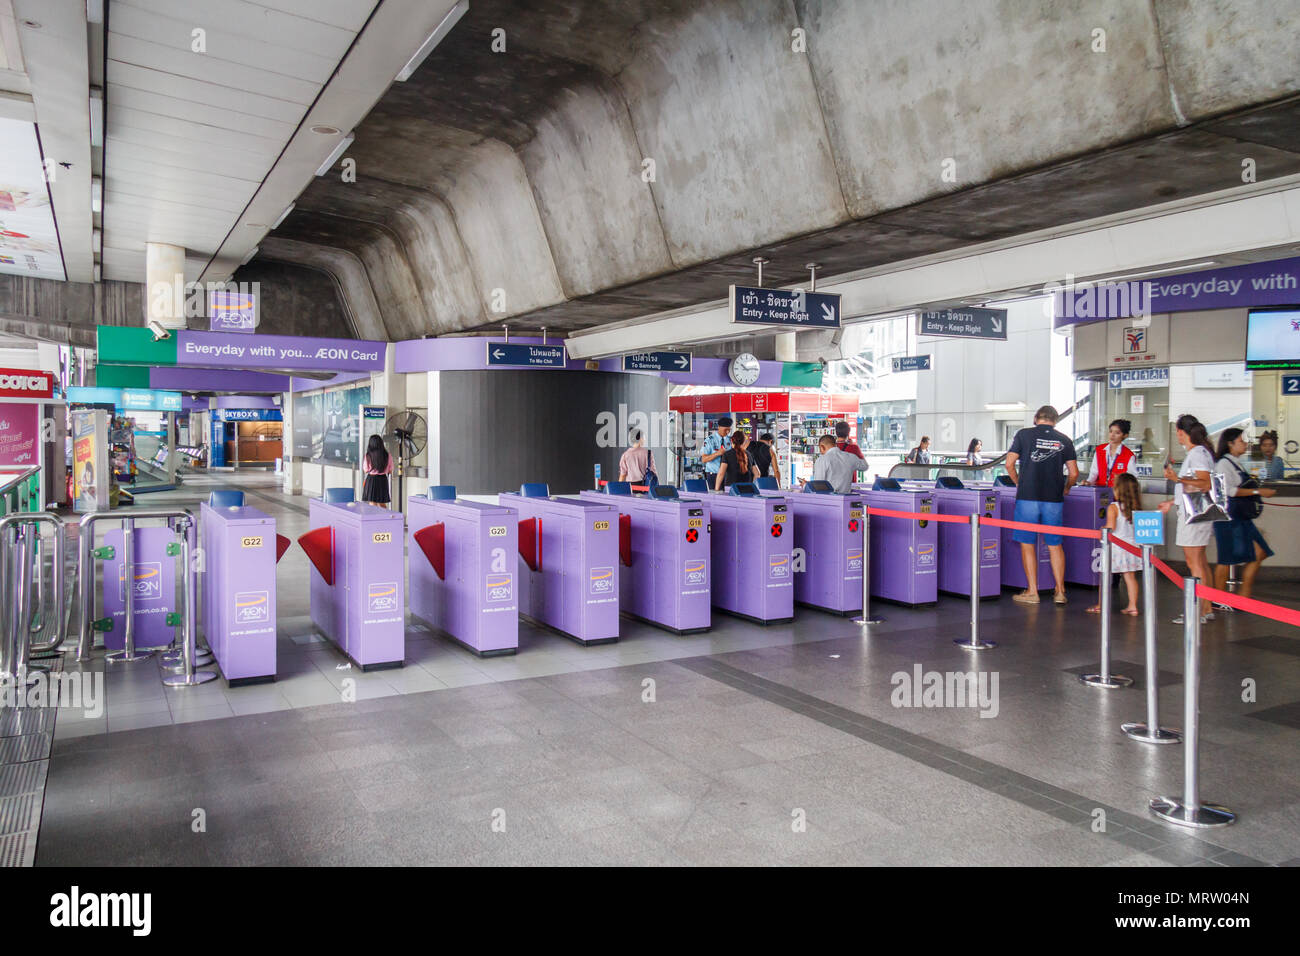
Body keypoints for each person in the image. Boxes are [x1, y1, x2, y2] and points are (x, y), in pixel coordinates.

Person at [1004, 405, 1079, 605]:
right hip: (1053, 498)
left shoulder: (1024, 435)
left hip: (1028, 496)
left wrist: (1018, 481)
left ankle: (1033, 592)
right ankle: (1060, 592)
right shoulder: (1064, 440)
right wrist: (1067, 488)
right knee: (1055, 544)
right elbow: (1073, 473)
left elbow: (1009, 463)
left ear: (1036, 418)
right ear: (1055, 420)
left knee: (1027, 543)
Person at [1158, 414, 1216, 623]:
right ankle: (1206, 607)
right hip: (1197, 511)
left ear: (1182, 432)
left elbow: (1204, 483)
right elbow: (1195, 486)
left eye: (1178, 432)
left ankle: (1198, 611)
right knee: (1200, 561)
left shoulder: (1197, 454)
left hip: (1195, 515)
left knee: (1194, 563)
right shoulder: (1201, 452)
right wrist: (1173, 502)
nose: (1177, 436)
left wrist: (1177, 478)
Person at [1212, 427, 1276, 602]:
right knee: (1225, 558)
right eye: (1241, 441)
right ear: (1230, 443)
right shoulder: (1223, 464)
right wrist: (1257, 492)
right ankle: (1220, 599)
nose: (1246, 444)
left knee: (1260, 551)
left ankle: (1243, 597)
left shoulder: (1235, 462)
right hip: (1228, 517)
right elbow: (1229, 491)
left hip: (1240, 518)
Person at [1087, 472, 1143, 616]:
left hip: (1116, 548)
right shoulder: (1136, 507)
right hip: (1132, 547)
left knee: (1104, 577)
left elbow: (1110, 527)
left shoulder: (1113, 507)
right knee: (1130, 577)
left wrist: (1102, 529)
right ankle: (1132, 606)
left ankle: (1101, 605)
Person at [1085, 419, 1135, 487]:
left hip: (1118, 493)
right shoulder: (1100, 450)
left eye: (1117, 433)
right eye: (1111, 431)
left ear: (1125, 435)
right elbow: (1094, 472)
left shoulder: (1129, 455)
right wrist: (1088, 482)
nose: (1112, 435)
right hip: (1100, 491)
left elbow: (1132, 478)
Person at [362, 434, 393, 507]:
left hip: (372, 479)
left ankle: (374, 518)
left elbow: (366, 470)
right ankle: (385, 517)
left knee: (372, 503)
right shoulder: (387, 455)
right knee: (382, 503)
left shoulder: (368, 456)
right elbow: (390, 470)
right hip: (383, 480)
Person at [700, 417, 732, 484]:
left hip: (728, 475)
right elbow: (704, 459)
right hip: (714, 474)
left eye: (729, 430)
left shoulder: (731, 440)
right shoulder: (709, 440)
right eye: (725, 430)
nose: (727, 432)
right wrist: (717, 453)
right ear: (719, 427)